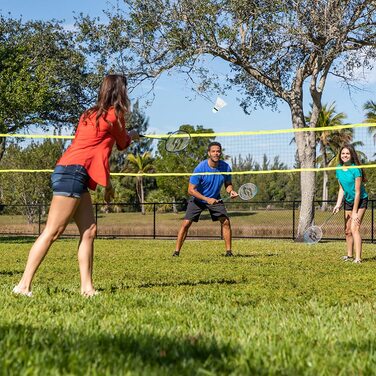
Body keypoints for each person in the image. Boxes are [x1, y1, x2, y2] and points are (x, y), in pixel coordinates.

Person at [13, 74, 139, 297]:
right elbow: (121, 144)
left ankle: (87, 288)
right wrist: (131, 135)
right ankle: (23, 286)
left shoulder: (88, 114)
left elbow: (96, 148)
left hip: (70, 170)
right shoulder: (115, 114)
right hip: (74, 172)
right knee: (53, 231)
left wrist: (107, 183)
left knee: (89, 231)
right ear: (121, 91)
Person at [173, 142, 238, 257]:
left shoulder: (225, 167)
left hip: (215, 199)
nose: (216, 153)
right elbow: (191, 190)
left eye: (218, 151)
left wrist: (230, 191)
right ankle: (176, 252)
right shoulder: (200, 168)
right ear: (209, 153)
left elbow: (228, 184)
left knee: (226, 222)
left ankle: (229, 252)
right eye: (213, 151)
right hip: (199, 198)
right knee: (186, 223)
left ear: (220, 152)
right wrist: (206, 199)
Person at [333, 144, 368, 264]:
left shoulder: (356, 169)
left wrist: (354, 212)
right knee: (347, 230)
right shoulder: (338, 169)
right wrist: (338, 204)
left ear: (351, 155)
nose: (345, 155)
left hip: (360, 200)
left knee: (354, 228)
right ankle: (349, 255)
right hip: (348, 200)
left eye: (347, 153)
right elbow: (342, 189)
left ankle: (358, 258)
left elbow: (358, 192)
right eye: (343, 153)